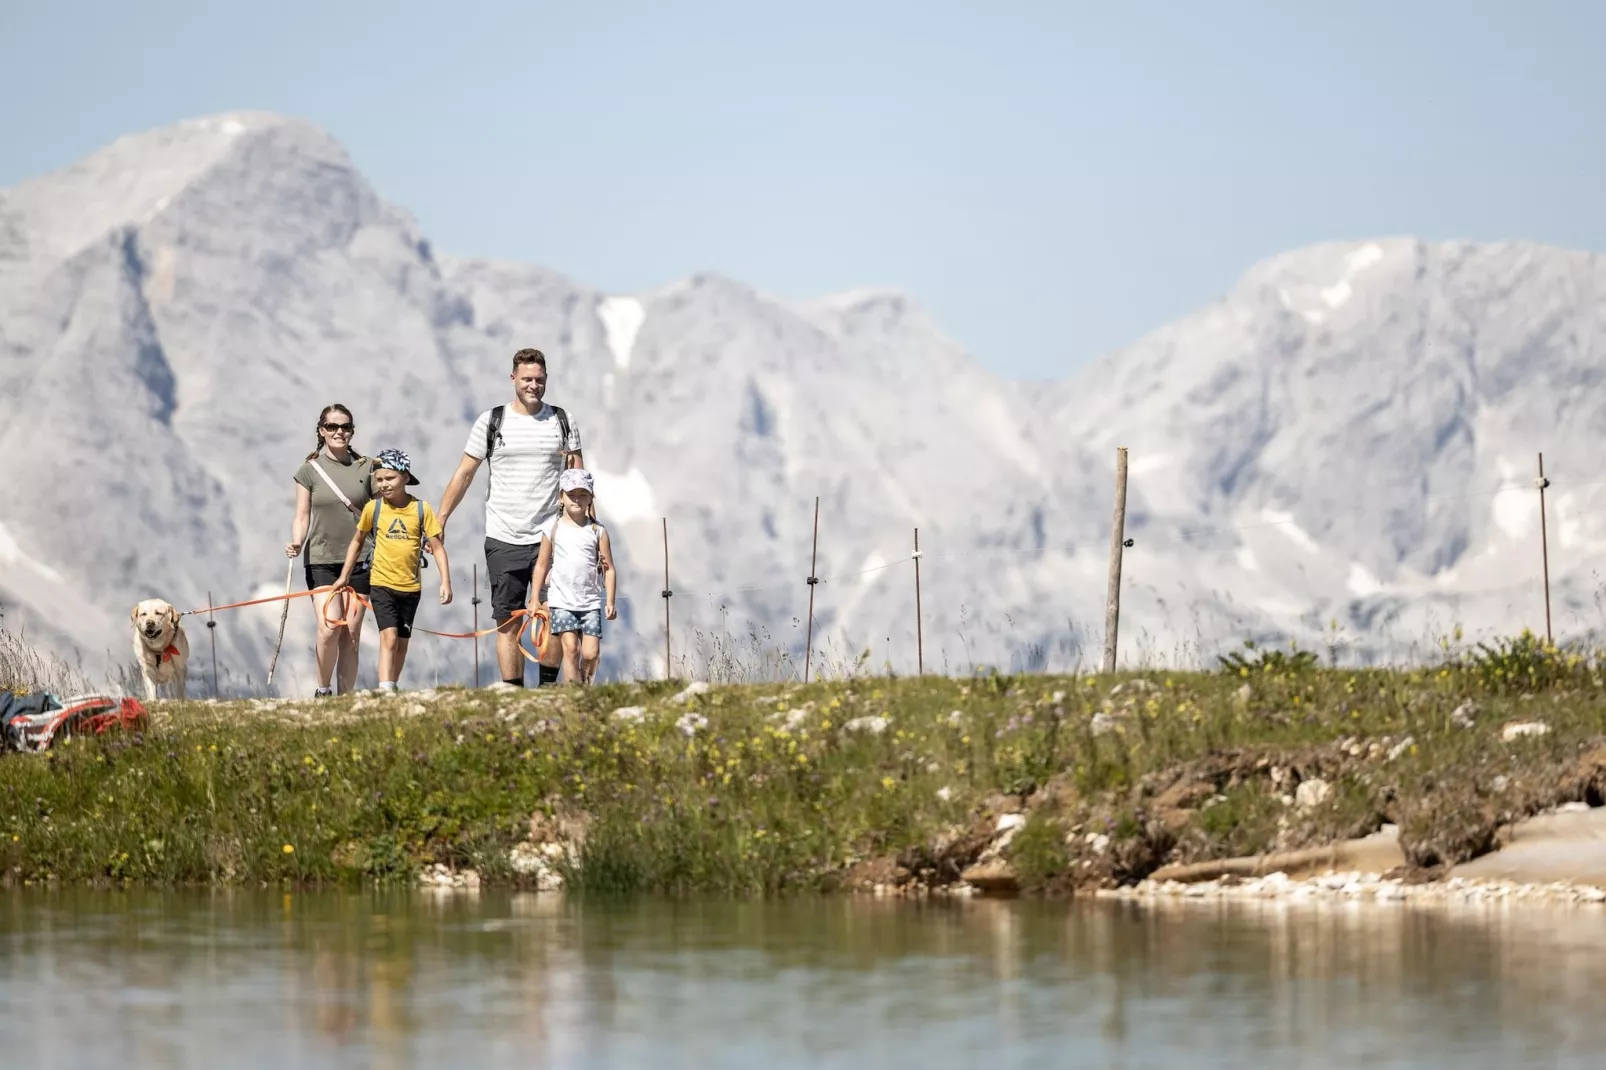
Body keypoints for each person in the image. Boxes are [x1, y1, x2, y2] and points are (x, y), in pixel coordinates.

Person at [437, 348, 583, 688]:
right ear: (513, 378)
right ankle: (513, 693)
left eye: (540, 380)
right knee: (508, 621)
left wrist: (593, 532)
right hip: (504, 536)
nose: (534, 385)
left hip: (553, 535)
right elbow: (465, 473)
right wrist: (440, 518)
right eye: (527, 379)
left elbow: (578, 477)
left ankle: (547, 688)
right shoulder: (492, 421)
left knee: (553, 616)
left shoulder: (562, 420)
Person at [329, 448, 451, 693]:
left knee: (403, 644)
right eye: (379, 479)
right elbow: (357, 541)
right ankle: (385, 690)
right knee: (390, 637)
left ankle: (392, 685)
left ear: (405, 477)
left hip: (411, 588)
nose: (383, 484)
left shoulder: (422, 509)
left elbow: (437, 548)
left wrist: (445, 582)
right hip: (381, 584)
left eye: (390, 478)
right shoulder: (372, 509)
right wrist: (344, 576)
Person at [285, 403, 372, 697]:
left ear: (352, 431)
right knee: (328, 626)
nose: (339, 432)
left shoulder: (368, 467)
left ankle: (345, 697)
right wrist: (297, 540)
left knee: (351, 632)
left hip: (361, 558)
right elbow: (302, 514)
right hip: (321, 558)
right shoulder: (308, 471)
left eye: (345, 427)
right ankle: (323, 691)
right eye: (332, 427)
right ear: (321, 431)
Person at [530, 469, 617, 684]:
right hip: (562, 601)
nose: (577, 499)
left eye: (583, 494)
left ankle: (585, 685)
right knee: (570, 649)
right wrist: (534, 599)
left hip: (589, 602)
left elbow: (609, 569)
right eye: (572, 494)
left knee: (591, 654)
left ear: (590, 498)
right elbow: (541, 565)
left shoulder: (598, 531)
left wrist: (610, 601)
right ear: (562, 496)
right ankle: (573, 695)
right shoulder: (552, 527)